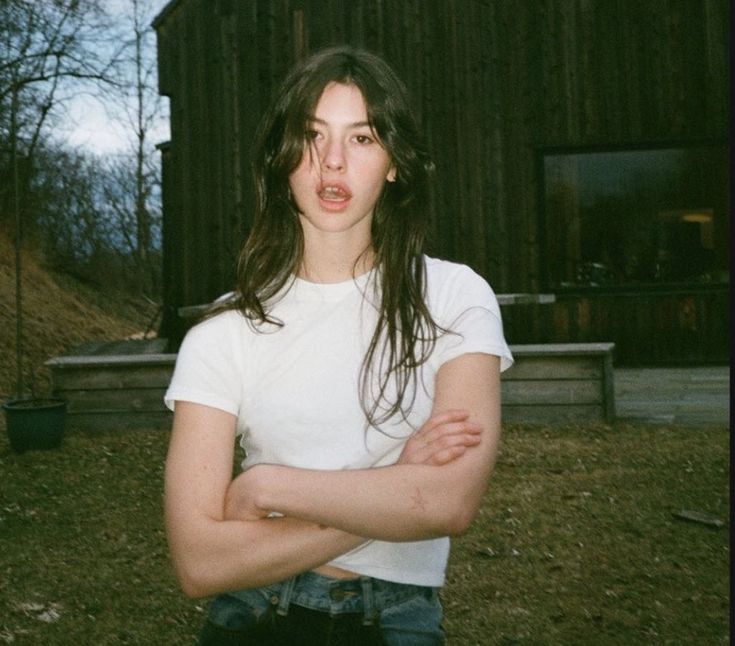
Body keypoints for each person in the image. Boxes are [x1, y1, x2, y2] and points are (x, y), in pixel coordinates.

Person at [163, 45, 513, 645]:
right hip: (252, 617)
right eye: (311, 134)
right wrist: (395, 485)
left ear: (395, 162)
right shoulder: (223, 333)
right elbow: (199, 563)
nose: (331, 163)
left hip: (397, 620)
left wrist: (265, 487)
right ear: (282, 158)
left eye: (362, 138)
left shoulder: (454, 298)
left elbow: (447, 503)